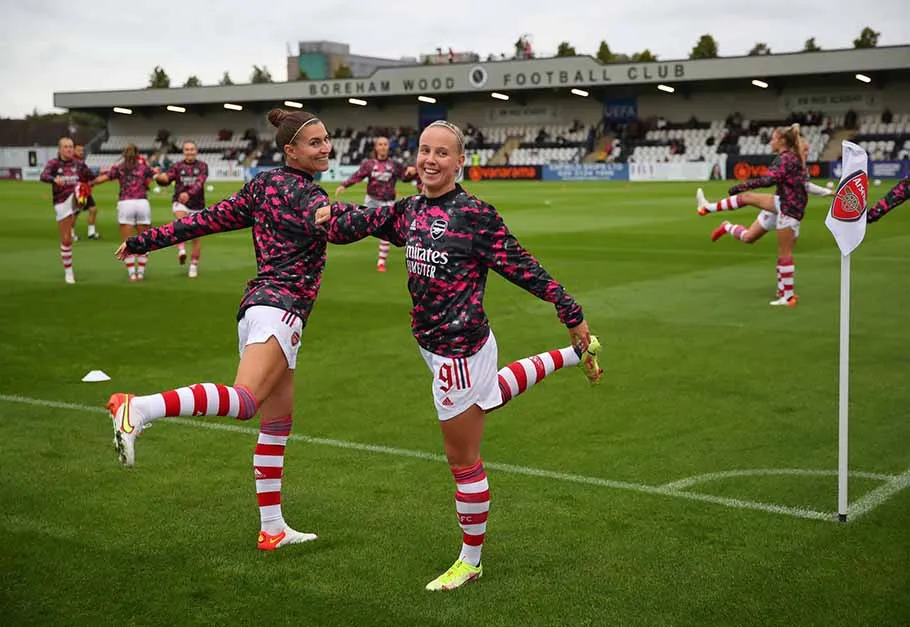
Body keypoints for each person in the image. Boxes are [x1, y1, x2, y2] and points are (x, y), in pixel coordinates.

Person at [318, 120, 603, 591]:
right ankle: (574, 357)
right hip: (434, 343)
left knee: (463, 459)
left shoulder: (475, 215)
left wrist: (569, 310)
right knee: (488, 395)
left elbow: (521, 264)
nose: (430, 160)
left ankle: (470, 561)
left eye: (442, 153)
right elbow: (360, 222)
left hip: (459, 350)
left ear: (459, 161)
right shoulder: (408, 210)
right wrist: (322, 213)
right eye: (424, 150)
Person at [107, 108, 338, 551]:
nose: (325, 147)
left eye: (326, 139)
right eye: (315, 142)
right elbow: (330, 216)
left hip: (260, 309)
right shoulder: (304, 193)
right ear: (290, 150)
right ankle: (137, 409)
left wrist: (142, 241)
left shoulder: (262, 186)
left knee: (277, 423)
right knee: (247, 401)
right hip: (280, 311)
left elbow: (201, 221)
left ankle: (272, 529)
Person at [697, 136, 831, 300]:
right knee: (748, 200)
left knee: (750, 238)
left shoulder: (800, 166)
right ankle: (708, 207)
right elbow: (774, 180)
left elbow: (806, 186)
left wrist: (827, 192)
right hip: (781, 205)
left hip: (786, 208)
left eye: (808, 150)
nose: (807, 152)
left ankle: (726, 226)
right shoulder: (790, 162)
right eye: (805, 149)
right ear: (796, 149)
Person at [333, 136, 417, 272]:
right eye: (380, 144)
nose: (383, 147)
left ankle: (381, 261)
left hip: (388, 202)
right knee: (363, 226)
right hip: (371, 201)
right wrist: (344, 185)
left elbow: (404, 177)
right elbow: (358, 175)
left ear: (388, 147)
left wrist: (411, 173)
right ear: (376, 147)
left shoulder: (395, 164)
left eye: (385, 144)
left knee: (387, 231)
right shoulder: (369, 164)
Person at [91, 144, 156, 281]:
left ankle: (132, 273)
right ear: (138, 154)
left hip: (125, 203)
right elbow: (158, 177)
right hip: (142, 203)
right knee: (144, 240)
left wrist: (89, 183)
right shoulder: (144, 167)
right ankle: (141, 272)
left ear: (123, 154)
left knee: (127, 242)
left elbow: (102, 179)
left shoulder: (118, 167)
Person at [39, 137, 95, 283]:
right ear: (60, 149)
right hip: (61, 202)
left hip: (76, 198)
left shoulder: (79, 164)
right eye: (65, 147)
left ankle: (80, 204)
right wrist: (54, 179)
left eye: (70, 146)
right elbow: (43, 176)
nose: (69, 149)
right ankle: (68, 272)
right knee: (66, 239)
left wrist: (85, 187)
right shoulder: (54, 163)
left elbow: (91, 178)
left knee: (88, 203)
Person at [154, 141, 208, 277]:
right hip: (180, 202)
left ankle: (193, 266)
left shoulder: (203, 166)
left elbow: (199, 183)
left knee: (196, 237)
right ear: (183, 152)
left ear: (196, 151)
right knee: (181, 223)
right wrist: (158, 177)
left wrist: (188, 194)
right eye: (187, 149)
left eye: (192, 149)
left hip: (198, 205)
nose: (189, 152)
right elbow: (166, 179)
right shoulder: (177, 166)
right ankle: (182, 250)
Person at [72, 143, 101, 240]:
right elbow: (89, 174)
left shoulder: (78, 161)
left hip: (84, 189)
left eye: (82, 150)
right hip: (78, 190)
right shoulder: (76, 162)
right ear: (73, 150)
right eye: (79, 150)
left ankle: (91, 233)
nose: (81, 152)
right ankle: (70, 234)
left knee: (92, 209)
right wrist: (93, 179)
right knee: (75, 212)